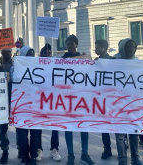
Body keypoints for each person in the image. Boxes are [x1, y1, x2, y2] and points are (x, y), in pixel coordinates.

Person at [62, 35, 95, 165]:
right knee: (68, 127)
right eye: (68, 44)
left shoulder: (82, 58)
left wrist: (92, 62)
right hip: (66, 99)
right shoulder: (61, 60)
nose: (70, 46)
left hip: (81, 98)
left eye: (72, 44)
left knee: (84, 126)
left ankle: (84, 153)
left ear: (76, 45)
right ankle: (70, 154)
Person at [113, 38, 143, 165]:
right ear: (122, 48)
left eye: (133, 47)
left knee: (134, 133)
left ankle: (135, 159)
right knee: (120, 136)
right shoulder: (114, 61)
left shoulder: (137, 62)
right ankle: (122, 161)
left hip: (133, 103)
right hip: (117, 103)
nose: (131, 49)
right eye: (128, 47)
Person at [16, 46, 42, 165]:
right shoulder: (15, 68)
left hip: (36, 106)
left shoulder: (39, 68)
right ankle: (24, 155)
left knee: (35, 134)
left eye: (32, 54)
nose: (31, 57)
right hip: (20, 106)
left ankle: (33, 157)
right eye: (28, 54)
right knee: (22, 135)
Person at [39, 44, 62, 161]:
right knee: (38, 125)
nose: (47, 55)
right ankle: (39, 149)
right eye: (45, 53)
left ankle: (54, 149)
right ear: (41, 54)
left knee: (55, 126)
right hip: (41, 100)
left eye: (49, 53)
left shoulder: (56, 64)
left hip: (54, 100)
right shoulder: (36, 65)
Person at [94, 39, 114, 160]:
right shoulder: (96, 62)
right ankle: (107, 148)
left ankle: (122, 144)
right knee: (103, 126)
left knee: (117, 123)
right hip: (101, 98)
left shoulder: (114, 61)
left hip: (113, 97)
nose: (95, 49)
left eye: (97, 47)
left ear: (103, 48)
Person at [0, 49, 13, 164]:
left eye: (9, 51)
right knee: (3, 129)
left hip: (15, 100)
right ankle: (5, 151)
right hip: (2, 101)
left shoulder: (17, 64)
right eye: (6, 52)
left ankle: (22, 151)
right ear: (1, 53)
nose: (8, 53)